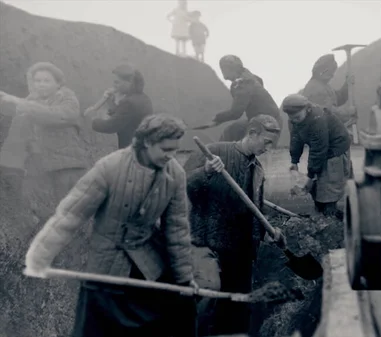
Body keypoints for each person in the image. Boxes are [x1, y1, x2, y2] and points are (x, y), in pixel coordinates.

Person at [24, 114, 199, 337]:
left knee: (177, 315)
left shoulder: (175, 175)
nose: (171, 156)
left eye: (175, 150)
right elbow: (70, 216)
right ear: (147, 142)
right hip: (107, 267)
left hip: (149, 265)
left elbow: (177, 230)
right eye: (166, 150)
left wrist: (185, 278)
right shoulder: (110, 168)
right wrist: (39, 257)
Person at [184, 114, 285, 335]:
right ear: (252, 133)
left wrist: (269, 233)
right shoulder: (213, 151)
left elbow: (256, 209)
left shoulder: (257, 169)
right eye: (267, 141)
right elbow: (182, 186)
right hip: (207, 242)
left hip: (240, 249)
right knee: (207, 295)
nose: (269, 148)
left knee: (238, 306)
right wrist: (206, 172)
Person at [0, 62, 89, 223]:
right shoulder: (32, 99)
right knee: (42, 208)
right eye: (37, 81)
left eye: (46, 81)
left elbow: (60, 116)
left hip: (67, 163)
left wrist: (19, 102)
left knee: (71, 210)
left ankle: (82, 244)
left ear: (58, 83)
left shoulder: (66, 97)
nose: (41, 85)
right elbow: (17, 121)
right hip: (40, 163)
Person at [281, 94, 352, 219]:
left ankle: (330, 216)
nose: (294, 120)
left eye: (297, 117)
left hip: (335, 149)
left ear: (307, 109)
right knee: (317, 184)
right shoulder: (294, 118)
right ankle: (320, 210)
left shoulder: (318, 119)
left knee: (329, 185)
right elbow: (296, 138)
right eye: (292, 118)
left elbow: (318, 150)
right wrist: (294, 160)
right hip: (321, 149)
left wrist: (310, 174)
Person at [199, 55, 283, 145]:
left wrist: (217, 119)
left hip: (265, 124)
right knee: (234, 129)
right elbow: (260, 81)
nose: (222, 70)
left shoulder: (242, 84)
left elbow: (236, 113)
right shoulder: (250, 77)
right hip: (274, 122)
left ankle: (221, 156)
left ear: (229, 69)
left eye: (224, 68)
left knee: (230, 133)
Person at [87, 64, 153, 149]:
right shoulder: (144, 98)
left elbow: (111, 126)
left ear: (130, 82)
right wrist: (111, 102)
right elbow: (124, 116)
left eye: (117, 82)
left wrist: (92, 120)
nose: (114, 85)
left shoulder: (129, 102)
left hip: (132, 152)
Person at [301, 54, 355, 126]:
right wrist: (348, 112)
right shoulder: (314, 88)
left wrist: (347, 85)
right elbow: (327, 112)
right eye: (330, 73)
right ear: (322, 71)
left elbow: (338, 98)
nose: (332, 76)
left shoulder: (324, 86)